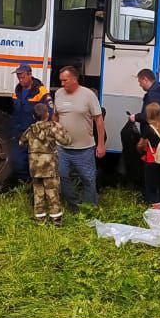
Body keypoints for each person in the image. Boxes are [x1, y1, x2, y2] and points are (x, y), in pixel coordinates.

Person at [54, 66, 106, 211]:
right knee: (63, 177)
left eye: (65, 80)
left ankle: (90, 207)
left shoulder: (88, 95)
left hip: (84, 148)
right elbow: (56, 116)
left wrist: (100, 144)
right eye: (61, 81)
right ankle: (74, 206)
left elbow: (99, 120)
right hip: (63, 148)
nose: (62, 83)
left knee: (88, 179)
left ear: (74, 79)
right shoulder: (58, 94)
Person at [18, 103, 71, 226]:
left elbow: (21, 142)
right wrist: (63, 129)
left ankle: (40, 220)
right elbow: (67, 141)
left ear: (33, 116)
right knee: (52, 192)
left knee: (38, 192)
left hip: (35, 168)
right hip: (49, 167)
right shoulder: (53, 127)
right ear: (47, 114)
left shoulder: (30, 129)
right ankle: (56, 220)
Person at [10, 64, 54, 183]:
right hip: (19, 133)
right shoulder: (18, 90)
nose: (20, 80)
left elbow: (49, 112)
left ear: (30, 75)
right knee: (17, 162)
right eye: (18, 77)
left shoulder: (40, 91)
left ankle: (33, 190)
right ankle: (25, 185)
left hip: (35, 135)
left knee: (35, 165)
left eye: (22, 77)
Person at [129, 69, 160, 143]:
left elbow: (152, 116)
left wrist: (136, 117)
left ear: (145, 79)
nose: (140, 85)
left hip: (158, 138)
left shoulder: (153, 95)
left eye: (140, 82)